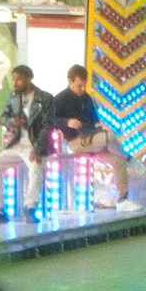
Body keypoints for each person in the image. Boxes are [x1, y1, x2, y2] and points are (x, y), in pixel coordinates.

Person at [0, 65, 55, 224]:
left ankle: (30, 207)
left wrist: (38, 148)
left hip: (35, 144)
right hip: (17, 144)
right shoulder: (14, 96)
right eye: (14, 79)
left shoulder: (46, 98)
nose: (15, 83)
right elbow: (3, 116)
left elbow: (48, 126)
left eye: (18, 79)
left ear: (29, 79)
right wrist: (11, 121)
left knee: (36, 167)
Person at [51, 64, 133, 207]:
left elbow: (94, 119)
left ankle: (123, 198)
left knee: (118, 161)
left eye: (84, 85)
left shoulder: (86, 98)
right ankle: (128, 157)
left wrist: (97, 125)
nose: (82, 89)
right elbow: (50, 120)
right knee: (109, 137)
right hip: (77, 141)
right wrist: (68, 122)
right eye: (79, 86)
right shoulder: (60, 99)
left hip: (92, 139)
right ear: (70, 81)